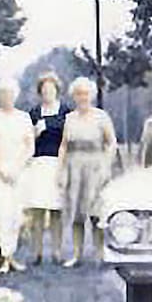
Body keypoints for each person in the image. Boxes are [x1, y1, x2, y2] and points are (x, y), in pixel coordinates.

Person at [58, 77, 117, 267]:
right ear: (73, 96)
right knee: (76, 213)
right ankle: (76, 254)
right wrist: (61, 170)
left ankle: (100, 254)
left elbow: (111, 143)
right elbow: (64, 146)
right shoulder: (69, 118)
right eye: (78, 94)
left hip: (95, 166)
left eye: (85, 93)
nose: (82, 97)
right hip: (75, 167)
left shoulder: (101, 117)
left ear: (91, 95)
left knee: (96, 213)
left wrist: (106, 165)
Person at [0, 78, 35, 274]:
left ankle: (12, 256)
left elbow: (30, 146)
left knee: (16, 215)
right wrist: (1, 169)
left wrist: (17, 167)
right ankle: (4, 258)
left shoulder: (23, 118)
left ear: (16, 96)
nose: (7, 97)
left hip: (19, 171)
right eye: (3, 94)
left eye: (10, 94)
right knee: (2, 214)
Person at [19, 72, 70, 265]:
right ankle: (37, 253)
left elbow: (70, 139)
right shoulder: (33, 113)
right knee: (38, 211)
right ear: (40, 92)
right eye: (44, 90)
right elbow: (24, 141)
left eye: (51, 89)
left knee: (57, 211)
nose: (47, 93)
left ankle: (57, 252)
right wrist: (35, 132)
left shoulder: (66, 112)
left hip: (58, 163)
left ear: (57, 91)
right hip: (38, 164)